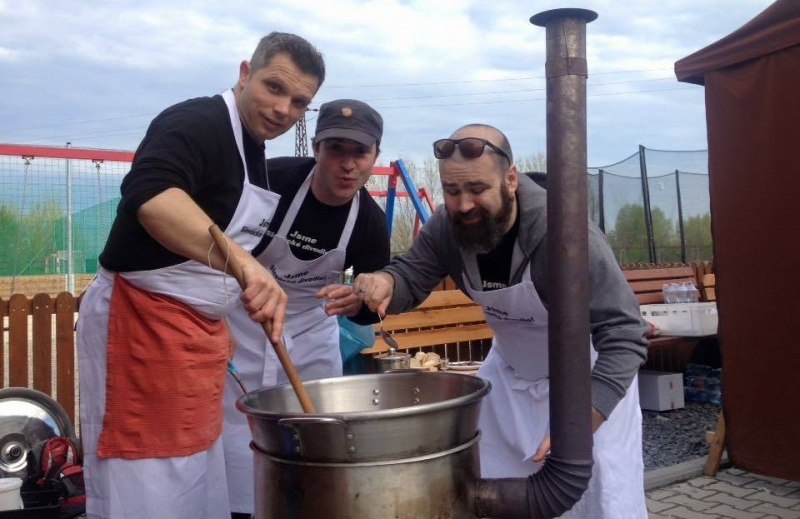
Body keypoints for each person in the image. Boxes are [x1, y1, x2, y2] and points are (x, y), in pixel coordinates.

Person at [76, 32, 325, 519]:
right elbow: (152, 198)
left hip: (194, 338)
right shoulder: (197, 121)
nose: (283, 108)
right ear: (244, 72)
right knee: (150, 483)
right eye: (274, 87)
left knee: (191, 478)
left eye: (299, 102)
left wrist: (226, 302)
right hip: (141, 329)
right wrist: (246, 266)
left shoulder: (254, 148)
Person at [353, 124, 649, 518]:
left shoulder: (566, 236)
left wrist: (584, 420)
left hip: (589, 383)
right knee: (494, 491)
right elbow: (413, 273)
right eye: (452, 191)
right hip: (510, 382)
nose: (463, 205)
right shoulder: (447, 227)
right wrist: (385, 281)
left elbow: (625, 333)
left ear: (510, 179)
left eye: (477, 189)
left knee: (598, 500)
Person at [222, 99, 390, 518]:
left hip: (311, 338)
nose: (347, 165)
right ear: (316, 149)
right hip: (244, 325)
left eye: (360, 153)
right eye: (336, 150)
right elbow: (216, 240)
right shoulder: (272, 181)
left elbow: (371, 310)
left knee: (311, 437)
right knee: (232, 435)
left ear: (375, 158)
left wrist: (358, 302)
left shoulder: (368, 221)